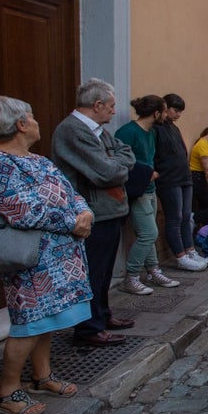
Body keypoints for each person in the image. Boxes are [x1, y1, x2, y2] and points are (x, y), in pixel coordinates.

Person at [0, 96, 93, 414]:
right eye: (32, 116)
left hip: (57, 256)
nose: (37, 121)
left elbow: (70, 192)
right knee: (28, 324)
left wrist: (83, 210)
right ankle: (5, 391)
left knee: (48, 320)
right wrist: (73, 222)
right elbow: (21, 210)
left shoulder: (38, 160)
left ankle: (42, 376)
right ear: (20, 124)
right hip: (31, 261)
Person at [50, 78, 136, 347]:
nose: (114, 110)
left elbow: (127, 155)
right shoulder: (73, 131)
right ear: (97, 105)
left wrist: (115, 166)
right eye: (111, 106)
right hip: (91, 212)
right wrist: (116, 168)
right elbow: (106, 172)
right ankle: (88, 328)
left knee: (104, 271)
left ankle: (102, 314)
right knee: (92, 271)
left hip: (109, 211)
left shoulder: (99, 131)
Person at [115, 95, 179, 295]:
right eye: (164, 110)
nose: (167, 114)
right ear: (156, 113)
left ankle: (153, 270)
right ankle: (131, 276)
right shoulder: (127, 132)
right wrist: (144, 175)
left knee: (150, 233)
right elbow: (120, 162)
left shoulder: (152, 133)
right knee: (149, 233)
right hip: (137, 190)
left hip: (150, 189)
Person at [153, 93, 207, 272]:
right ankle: (180, 256)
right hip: (169, 179)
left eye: (180, 112)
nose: (178, 115)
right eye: (175, 110)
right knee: (174, 218)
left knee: (185, 216)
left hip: (184, 177)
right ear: (164, 108)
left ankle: (190, 250)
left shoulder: (174, 128)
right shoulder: (156, 128)